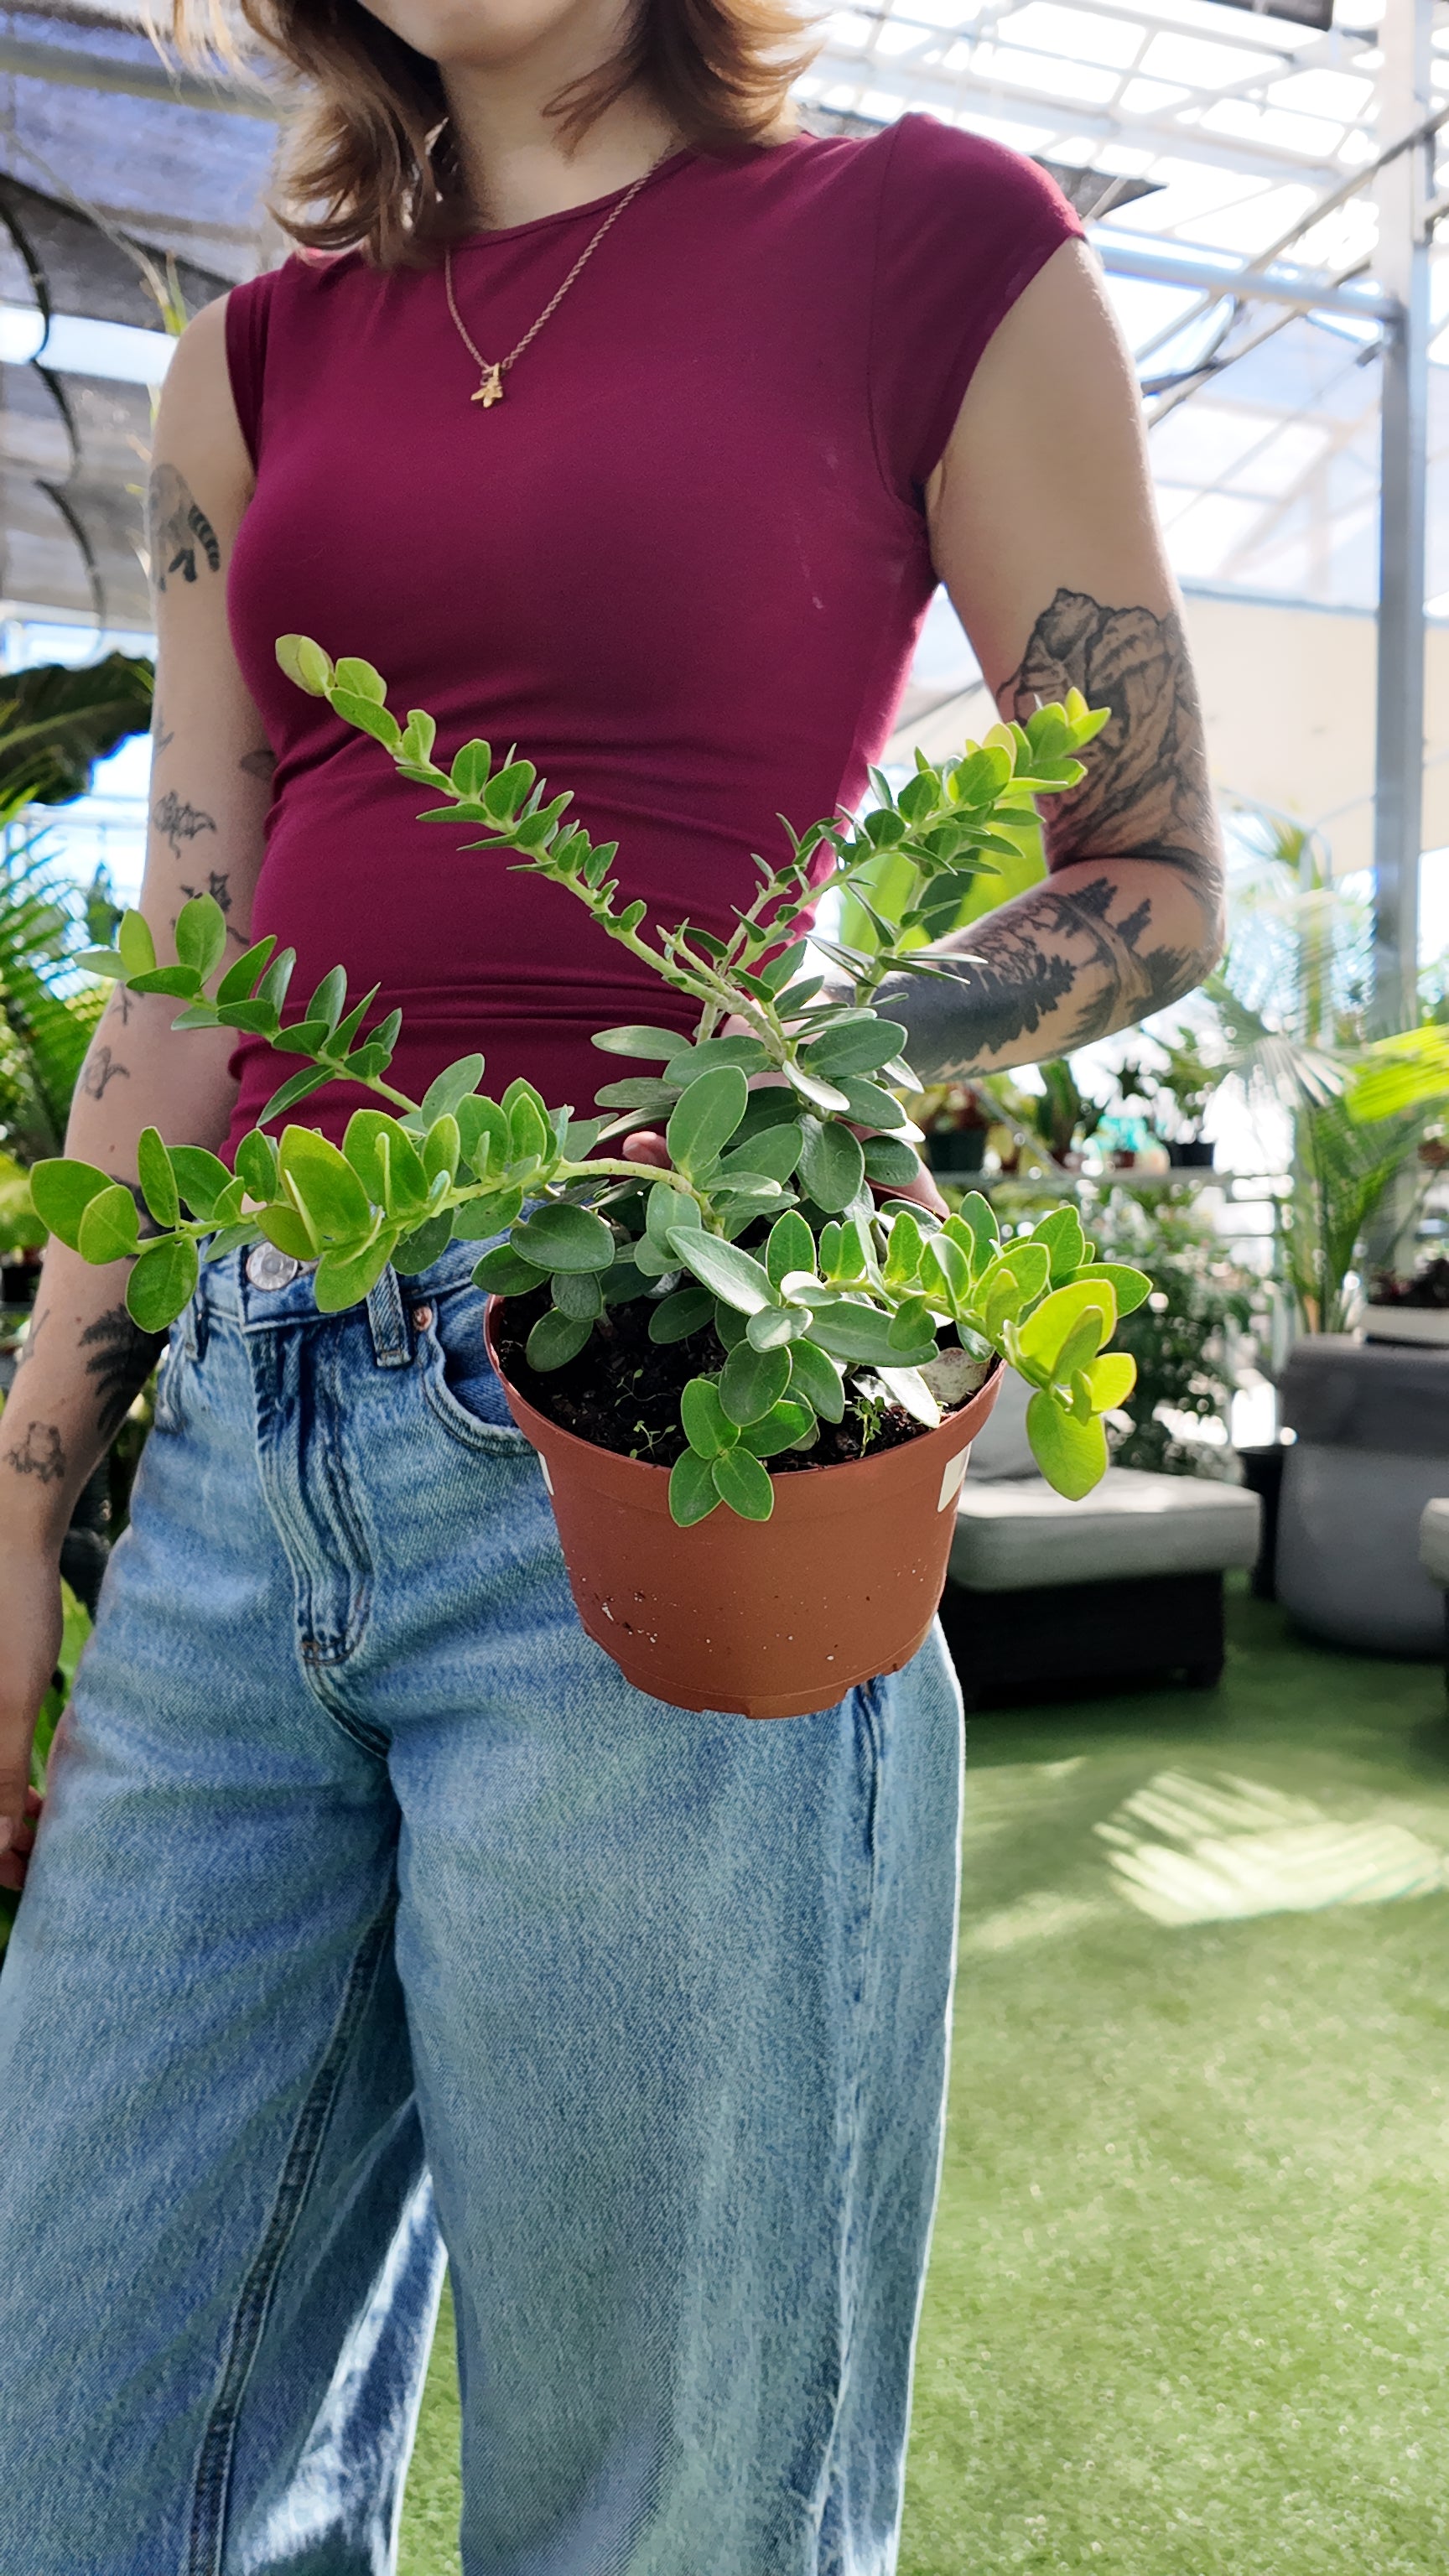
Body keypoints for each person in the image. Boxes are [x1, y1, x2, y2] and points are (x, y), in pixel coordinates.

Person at [0, 0, 1223, 2553]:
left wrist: (771, 1088)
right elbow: (186, 954)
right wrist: (26, 1492)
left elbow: (1146, 868)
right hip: (241, 1461)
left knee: (666, 2513)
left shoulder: (925, 242)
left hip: (666, 1416)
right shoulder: (250, 369)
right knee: (75, 2460)